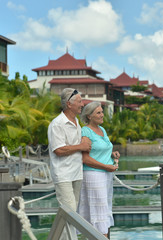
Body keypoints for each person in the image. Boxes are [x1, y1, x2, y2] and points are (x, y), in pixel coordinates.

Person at [47, 88, 91, 239]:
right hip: (63, 174)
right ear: (69, 104)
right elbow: (58, 150)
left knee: (72, 214)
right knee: (70, 213)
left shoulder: (77, 122)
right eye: (79, 101)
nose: (82, 104)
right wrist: (81, 146)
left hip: (76, 173)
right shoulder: (57, 124)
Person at [77, 101, 120, 239]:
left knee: (104, 209)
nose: (102, 115)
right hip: (94, 175)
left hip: (105, 175)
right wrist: (106, 167)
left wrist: (112, 155)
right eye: (98, 113)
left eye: (102, 112)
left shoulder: (103, 130)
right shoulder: (86, 132)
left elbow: (101, 151)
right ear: (89, 116)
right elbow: (86, 159)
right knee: (98, 211)